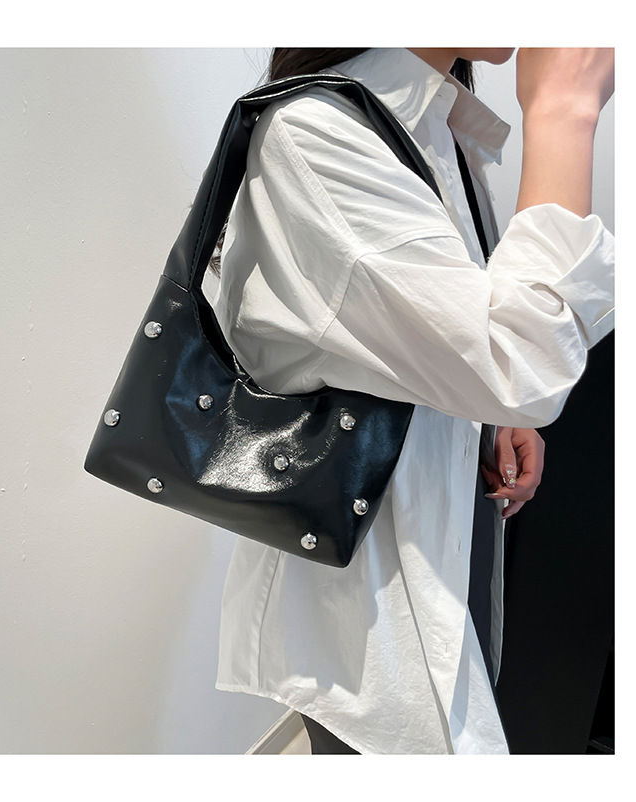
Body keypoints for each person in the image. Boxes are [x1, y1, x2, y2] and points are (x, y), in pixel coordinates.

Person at [210, 48, 614, 754]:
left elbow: (436, 338)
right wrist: (563, 111)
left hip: (446, 523)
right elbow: (523, 362)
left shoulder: (435, 124)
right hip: (368, 595)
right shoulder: (316, 134)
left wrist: (488, 420)